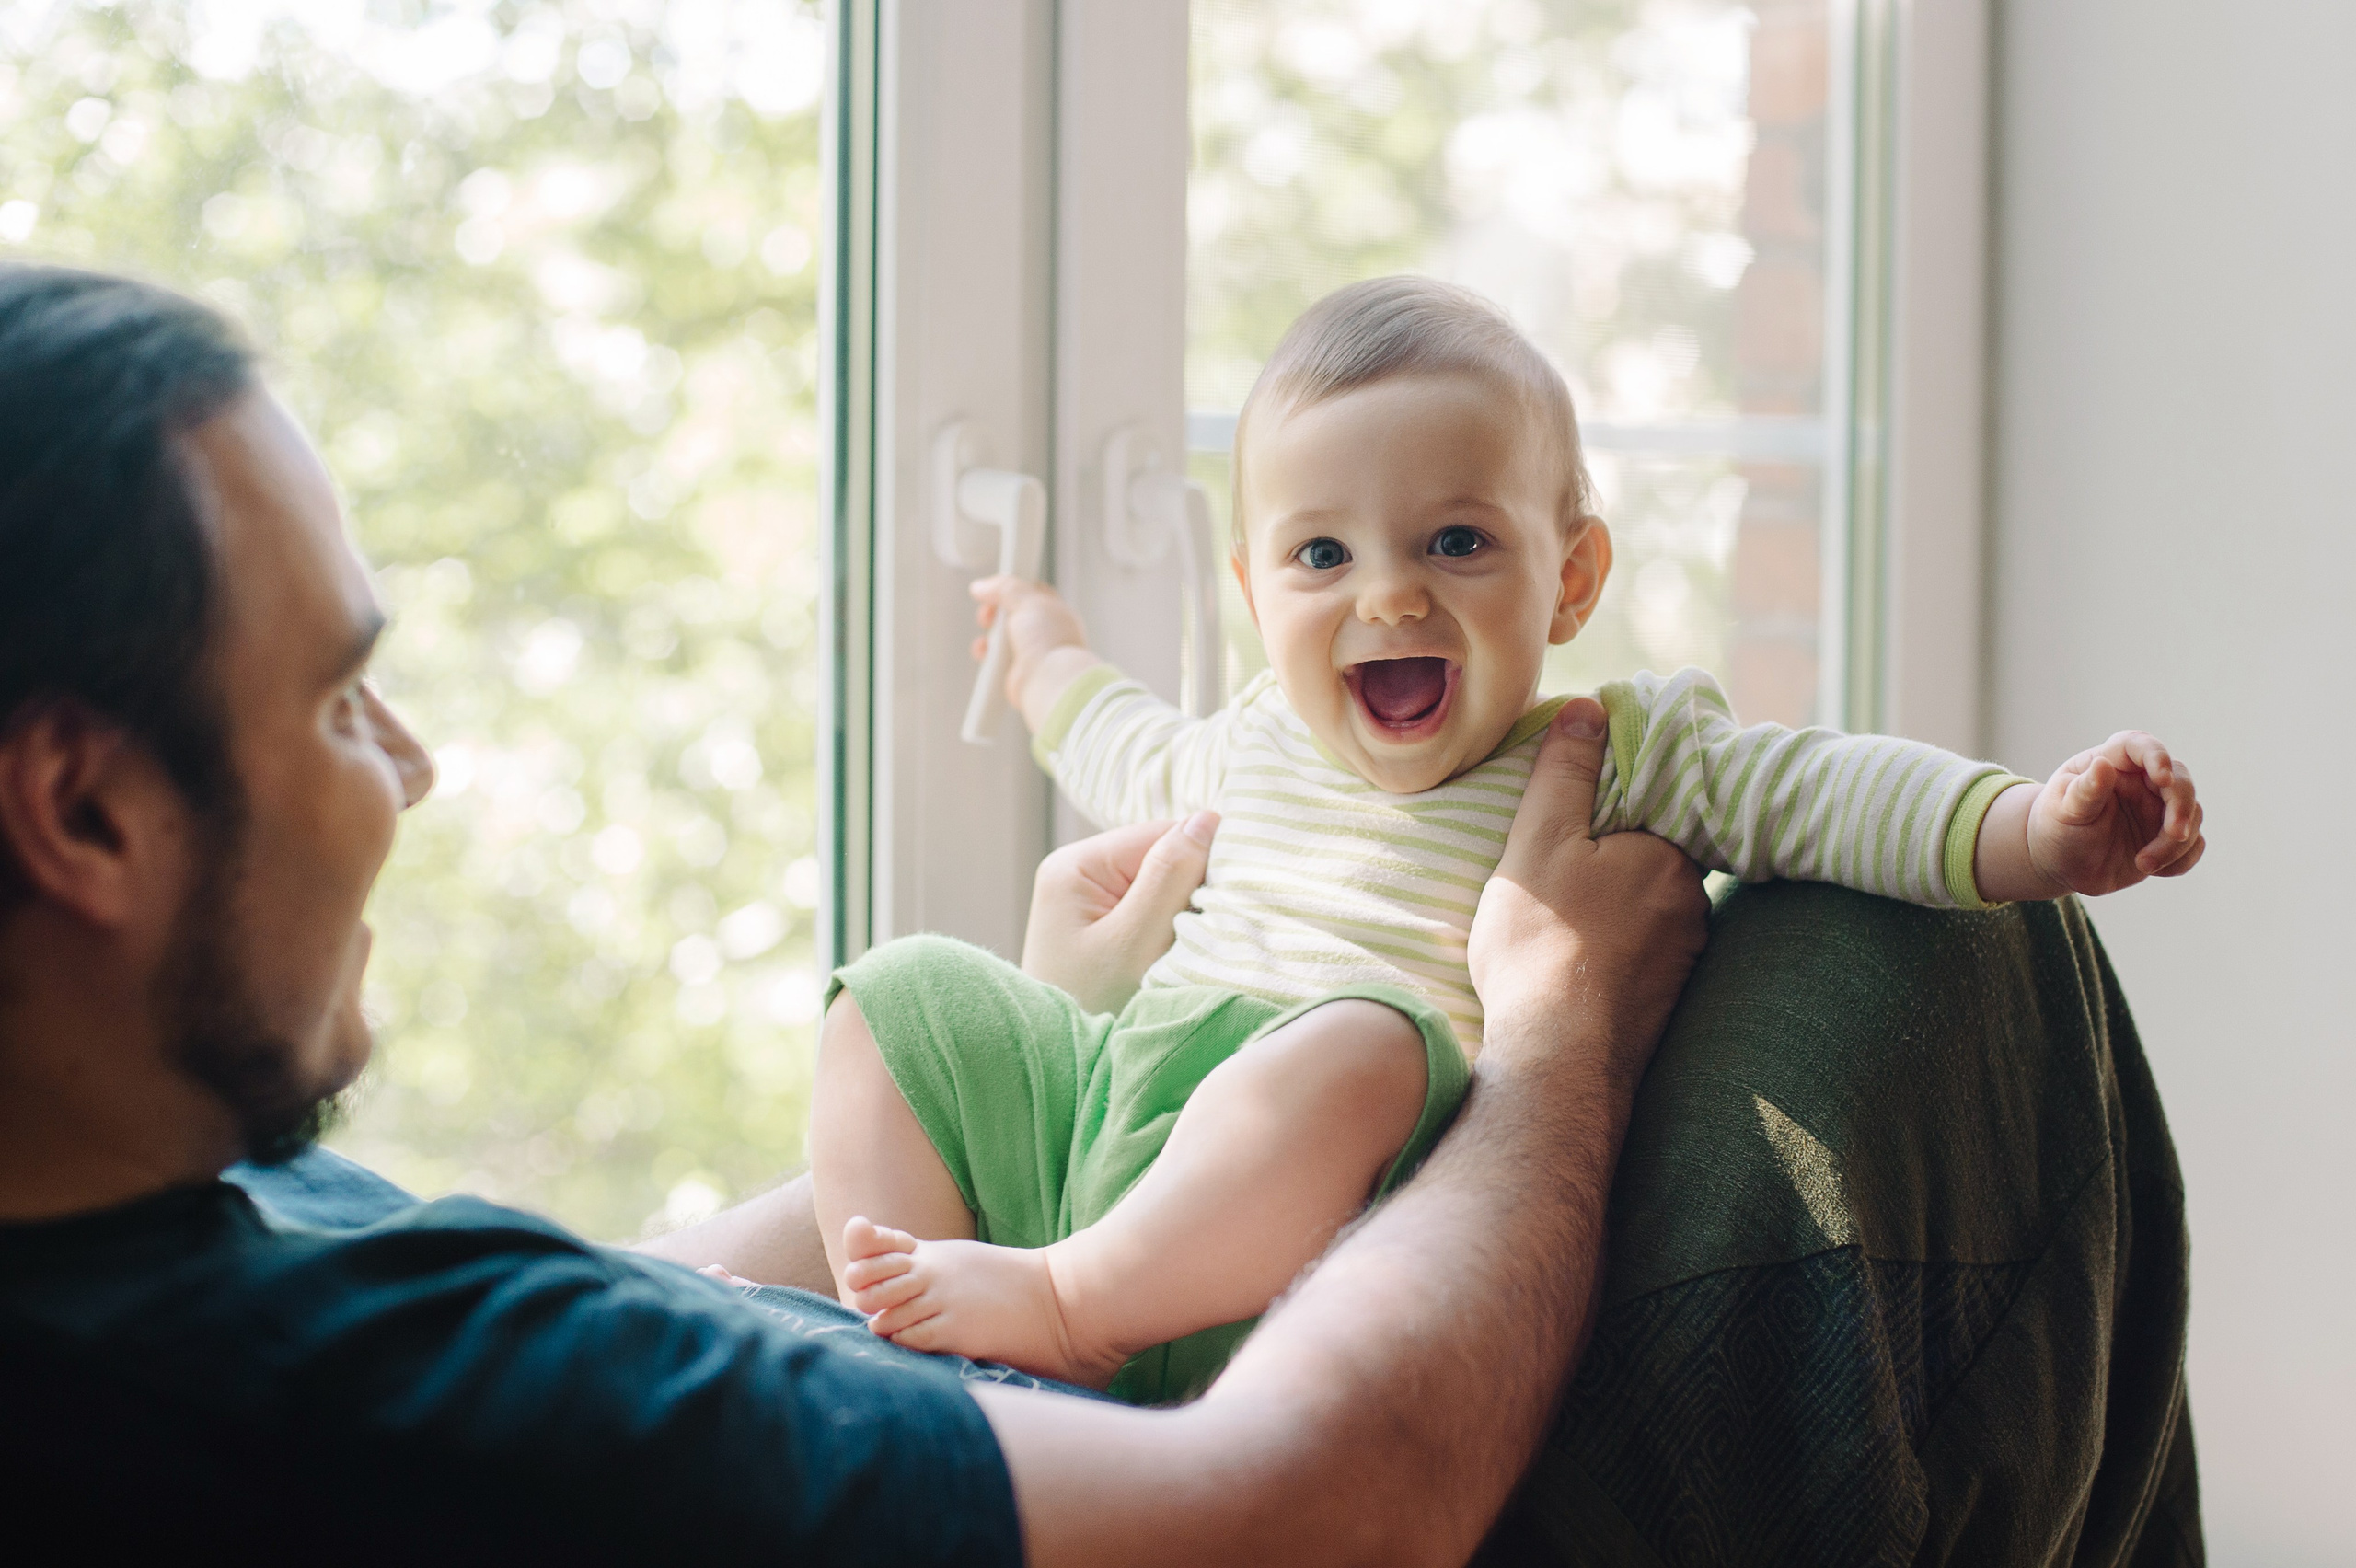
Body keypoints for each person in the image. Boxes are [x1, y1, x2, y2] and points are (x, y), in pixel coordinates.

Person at [0, 262, 1709, 1564]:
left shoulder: (188, 1214)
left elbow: (652, 1305)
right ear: (83, 811)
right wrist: (1564, 1045)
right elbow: (1323, 1507)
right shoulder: (333, 1397)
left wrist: (1045, 1078)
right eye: (337, 703)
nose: (414, 767)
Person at [806, 276, 2209, 1401]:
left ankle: (1068, 1307)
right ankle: (921, 1354)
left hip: (1332, 1196)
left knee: (1349, 1042)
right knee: (900, 995)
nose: (1392, 598)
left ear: (1573, 577)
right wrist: (1044, 649)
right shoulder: (1249, 741)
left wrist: (2038, 827)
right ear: (1252, 591)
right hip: (1117, 1126)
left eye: (1457, 543)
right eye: (1323, 556)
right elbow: (1113, 739)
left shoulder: (1607, 753)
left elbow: (1828, 793)